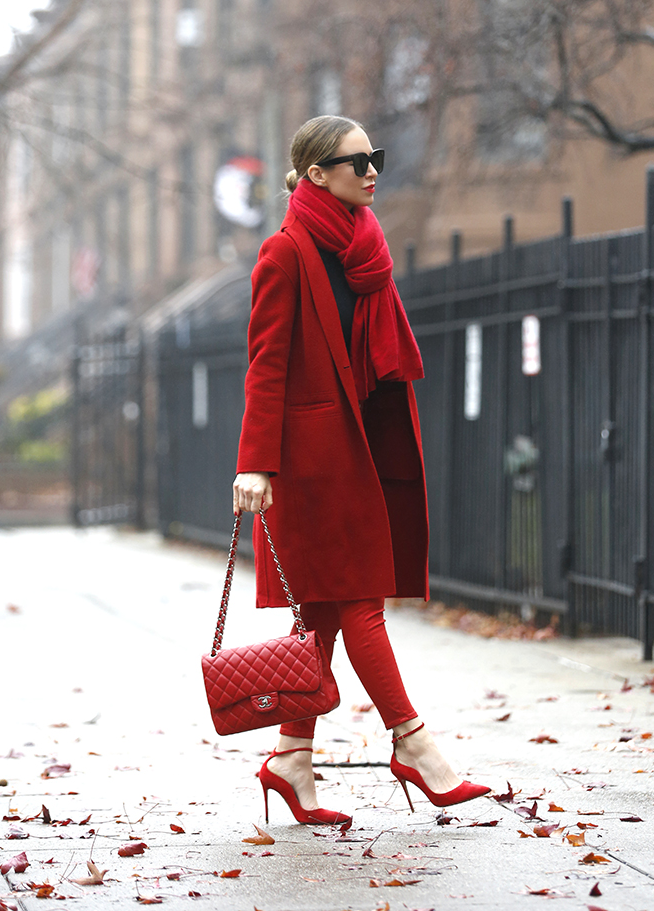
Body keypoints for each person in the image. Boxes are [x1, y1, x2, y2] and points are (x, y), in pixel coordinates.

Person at [232, 115, 490, 828]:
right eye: (358, 161)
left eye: (377, 158)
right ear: (316, 173)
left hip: (364, 448)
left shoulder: (364, 247)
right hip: (311, 464)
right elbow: (266, 365)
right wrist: (254, 463)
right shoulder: (285, 253)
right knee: (361, 602)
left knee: (319, 614)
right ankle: (414, 744)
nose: (373, 170)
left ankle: (290, 760)